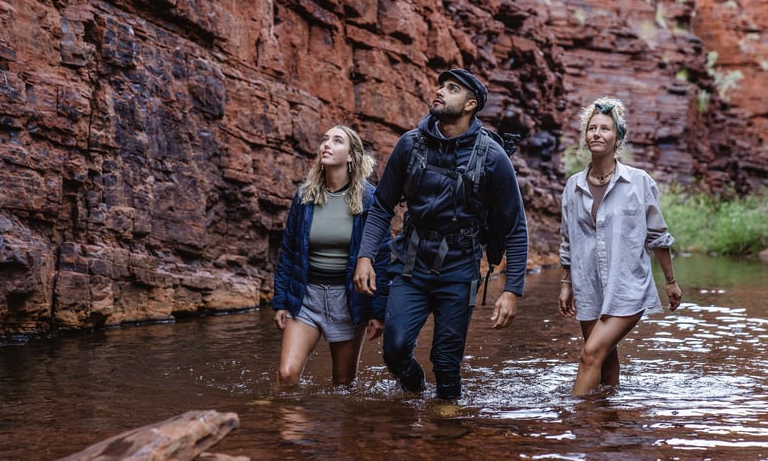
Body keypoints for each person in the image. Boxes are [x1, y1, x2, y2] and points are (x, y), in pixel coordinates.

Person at [354, 69, 529, 400]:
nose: (440, 91)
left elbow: (516, 228)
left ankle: (447, 428)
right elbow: (381, 207)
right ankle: (414, 389)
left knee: (447, 363)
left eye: (452, 89)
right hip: (410, 264)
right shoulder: (410, 145)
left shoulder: (493, 158)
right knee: (394, 349)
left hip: (460, 269)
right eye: (441, 85)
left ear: (470, 105)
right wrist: (365, 257)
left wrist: (512, 291)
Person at [558, 97, 683, 396]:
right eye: (591, 128)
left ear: (618, 138)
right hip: (588, 285)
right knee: (604, 360)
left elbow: (658, 236)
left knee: (590, 354)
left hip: (628, 285)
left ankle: (578, 423)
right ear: (585, 137)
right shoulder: (573, 186)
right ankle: (608, 424)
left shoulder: (639, 182)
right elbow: (567, 239)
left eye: (605, 128)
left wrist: (670, 282)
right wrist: (566, 283)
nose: (597, 133)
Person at [272, 125, 391, 387]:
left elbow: (381, 258)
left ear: (351, 155)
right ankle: (288, 427)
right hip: (306, 296)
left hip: (348, 300)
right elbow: (289, 252)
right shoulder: (304, 196)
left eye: (337, 141)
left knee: (343, 384)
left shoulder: (370, 200)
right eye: (324, 139)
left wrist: (378, 311)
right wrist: (280, 301)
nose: (327, 144)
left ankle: (338, 430)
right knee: (286, 375)